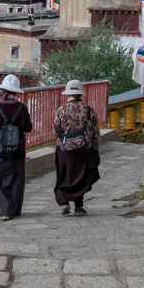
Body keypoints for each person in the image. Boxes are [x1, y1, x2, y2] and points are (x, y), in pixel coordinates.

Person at [0, 74, 33, 221]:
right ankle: (14, 210)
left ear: (3, 91)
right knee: (16, 181)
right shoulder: (22, 108)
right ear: (16, 92)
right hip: (17, 152)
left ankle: (5, 211)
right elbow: (28, 128)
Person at [53, 79, 100, 216]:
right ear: (80, 94)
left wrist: (64, 139)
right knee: (81, 177)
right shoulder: (88, 110)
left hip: (64, 150)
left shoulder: (61, 110)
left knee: (63, 175)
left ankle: (65, 204)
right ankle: (79, 207)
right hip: (83, 149)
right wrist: (94, 148)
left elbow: (56, 129)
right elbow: (95, 131)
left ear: (68, 94)